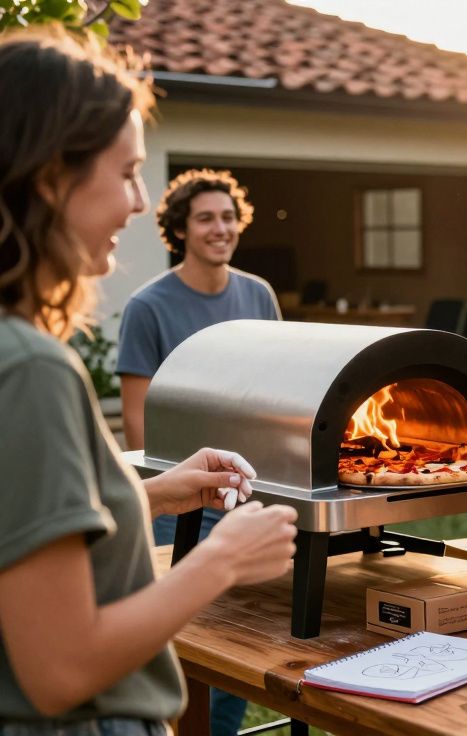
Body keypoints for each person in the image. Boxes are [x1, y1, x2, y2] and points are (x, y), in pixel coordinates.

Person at [0, 27, 298, 734]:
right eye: (128, 171)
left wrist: (157, 492)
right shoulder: (30, 368)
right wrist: (221, 561)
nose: (139, 201)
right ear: (52, 176)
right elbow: (61, 669)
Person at [116, 169, 279, 736]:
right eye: (206, 218)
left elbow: (278, 389)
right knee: (183, 641)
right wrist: (169, 490)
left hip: (249, 490)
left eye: (228, 217)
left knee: (244, 637)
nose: (220, 228)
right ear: (180, 230)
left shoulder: (257, 294)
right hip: (180, 498)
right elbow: (137, 420)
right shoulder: (148, 306)